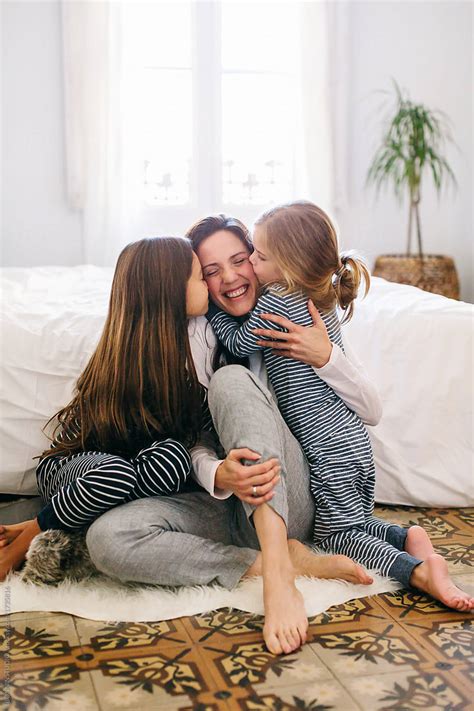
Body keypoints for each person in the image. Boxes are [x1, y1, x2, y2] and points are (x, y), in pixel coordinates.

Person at [206, 201, 474, 620]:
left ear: (289, 267)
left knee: (337, 535)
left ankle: (417, 572)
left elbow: (240, 343)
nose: (252, 267)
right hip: (351, 442)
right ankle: (406, 537)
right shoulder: (322, 300)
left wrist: (210, 311)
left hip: (327, 448)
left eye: (256, 257)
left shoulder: (276, 301)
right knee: (354, 519)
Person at [0, 237, 210, 580]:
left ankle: (58, 520)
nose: (209, 285)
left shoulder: (188, 357)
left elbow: (192, 430)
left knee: (174, 460)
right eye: (201, 277)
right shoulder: (126, 365)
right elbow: (107, 452)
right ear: (171, 290)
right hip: (73, 468)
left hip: (130, 470)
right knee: (115, 474)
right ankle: (28, 535)